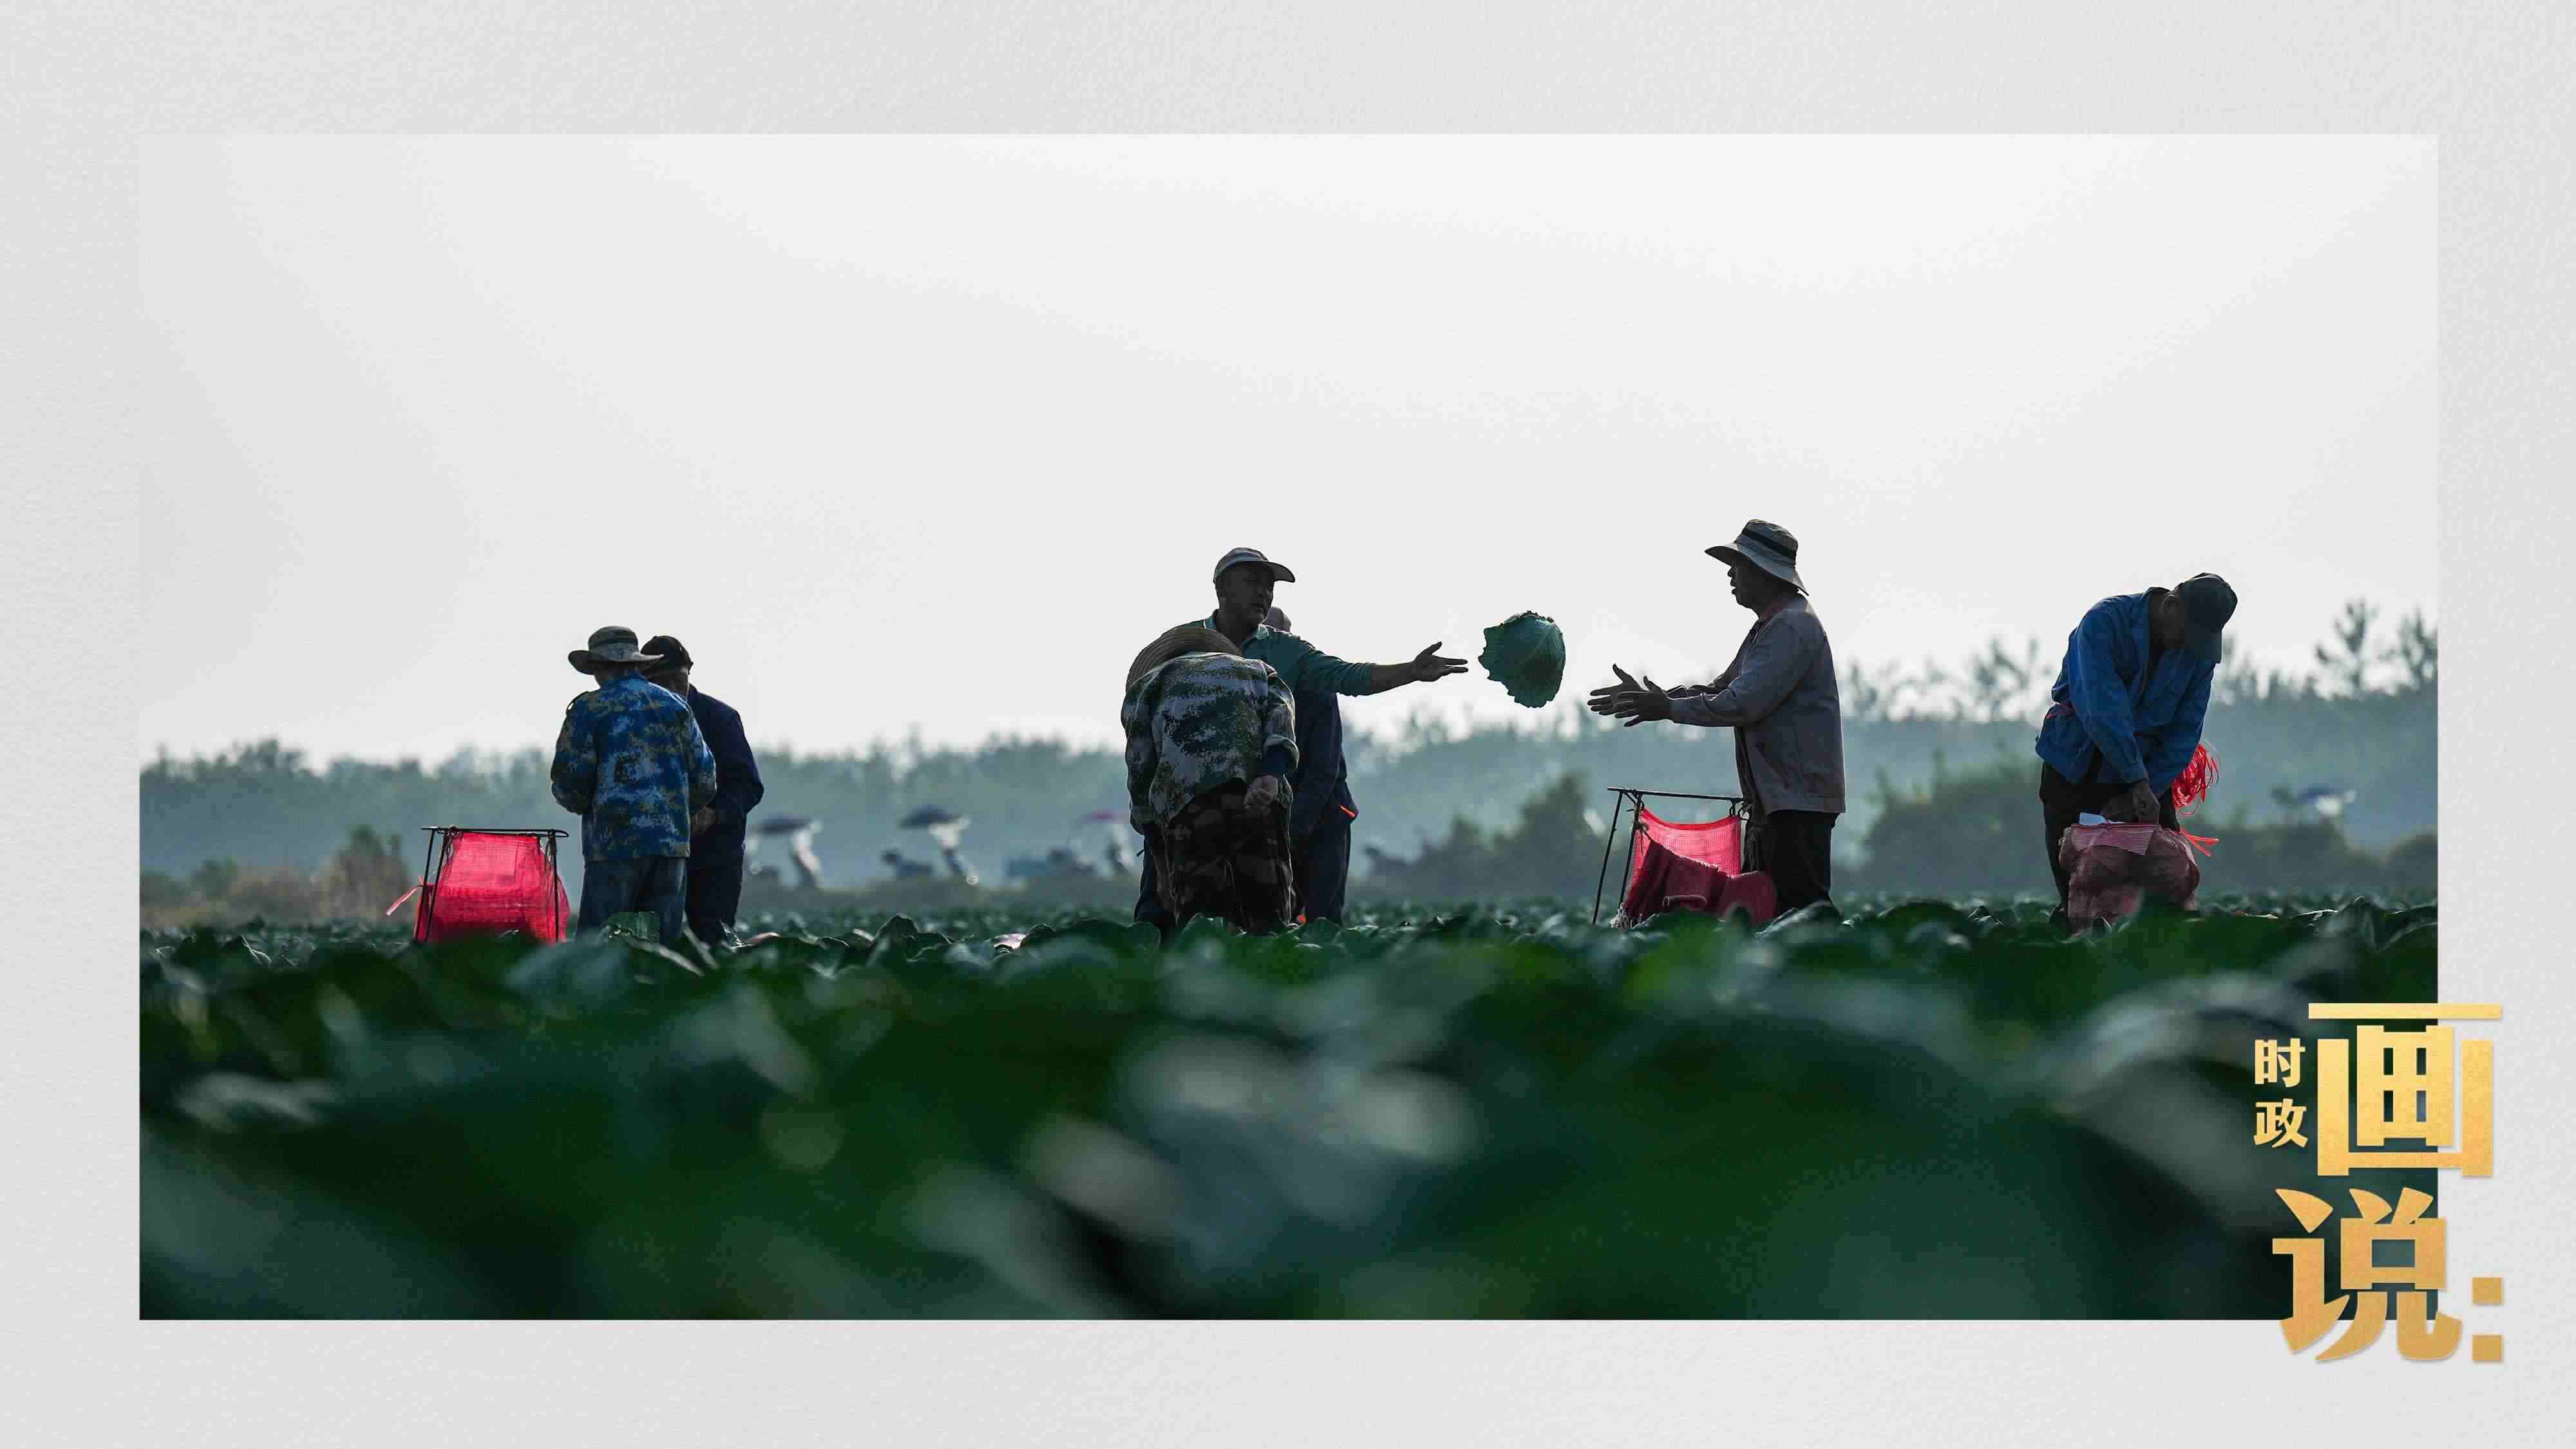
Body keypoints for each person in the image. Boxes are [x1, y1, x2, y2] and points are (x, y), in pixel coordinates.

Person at [1132, 547, 1466, 933]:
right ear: (1222, 590)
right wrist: (1150, 820)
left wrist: (1410, 670)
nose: (1264, 593)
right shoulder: (1182, 648)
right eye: (1252, 583)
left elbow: (1348, 677)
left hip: (1257, 806)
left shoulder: (1285, 653)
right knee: (1161, 914)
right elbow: (1144, 735)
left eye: (1269, 586)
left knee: (1265, 918)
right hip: (1184, 804)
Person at [1587, 520, 1846, 916]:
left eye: (1738, 566)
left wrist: (1667, 709)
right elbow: (1721, 689)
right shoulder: (1770, 626)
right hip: (1774, 803)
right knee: (1768, 912)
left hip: (1797, 804)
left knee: (1800, 913)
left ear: (1764, 572)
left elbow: (1741, 703)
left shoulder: (1792, 627)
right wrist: (1659, 699)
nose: (1730, 575)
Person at [2033, 573, 2238, 918]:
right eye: (2186, 634)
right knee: (2080, 887)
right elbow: (2102, 710)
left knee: (2166, 882)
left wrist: (2147, 788)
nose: (2187, 648)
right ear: (2170, 605)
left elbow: (2186, 730)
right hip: (2077, 764)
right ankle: (2076, 927)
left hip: (2147, 775)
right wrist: (2136, 780)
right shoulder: (2104, 623)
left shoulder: (2198, 653)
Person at [1122, 624, 1300, 934]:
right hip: (1257, 799)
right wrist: (1270, 775)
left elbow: (1141, 777)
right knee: (1269, 924)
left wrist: (1162, 868)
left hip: (1188, 807)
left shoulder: (1148, 686)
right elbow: (1281, 723)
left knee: (1204, 927)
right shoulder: (1259, 671)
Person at [549, 626, 717, 941]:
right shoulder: (676, 707)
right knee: (662, 951)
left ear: (598, 667)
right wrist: (675, 812)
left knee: (598, 950)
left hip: (613, 849)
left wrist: (590, 806)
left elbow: (569, 786)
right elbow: (706, 780)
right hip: (670, 849)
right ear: (637, 663)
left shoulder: (589, 710)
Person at [641, 634, 766, 945]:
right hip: (655, 857)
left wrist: (714, 815)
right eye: (661, 681)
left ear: (689, 672)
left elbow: (748, 785)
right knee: (651, 944)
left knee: (714, 942)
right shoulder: (637, 723)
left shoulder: (720, 719)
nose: (672, 688)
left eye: (677, 678)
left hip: (714, 856)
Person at [1264, 604, 1358, 923]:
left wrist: (1290, 831)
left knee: (1322, 918)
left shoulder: (1316, 685)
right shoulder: (1245, 686)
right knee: (1274, 919)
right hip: (1271, 821)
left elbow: (1323, 770)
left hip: (1323, 816)